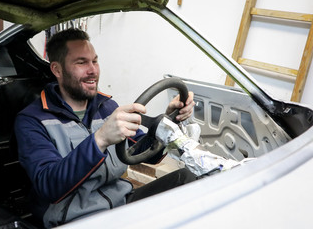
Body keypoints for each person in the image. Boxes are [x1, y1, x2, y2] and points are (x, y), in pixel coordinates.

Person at [14, 28, 196, 228]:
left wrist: (170, 120)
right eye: (81, 62)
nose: (93, 70)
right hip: (77, 219)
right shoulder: (32, 120)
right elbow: (49, 185)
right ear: (57, 70)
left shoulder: (107, 106)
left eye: (95, 61)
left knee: (188, 178)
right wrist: (99, 140)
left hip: (123, 204)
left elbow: (146, 153)